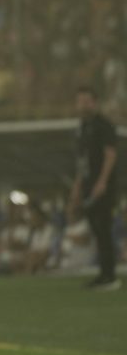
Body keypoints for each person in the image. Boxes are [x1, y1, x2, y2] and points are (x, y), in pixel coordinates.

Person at [68, 85, 120, 289]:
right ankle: (103, 274)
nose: (82, 105)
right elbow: (82, 161)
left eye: (86, 101)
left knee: (103, 228)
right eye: (79, 101)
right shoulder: (82, 128)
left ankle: (110, 276)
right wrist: (77, 186)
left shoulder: (103, 125)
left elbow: (110, 154)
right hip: (88, 186)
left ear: (95, 103)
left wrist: (102, 182)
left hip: (103, 187)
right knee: (96, 230)